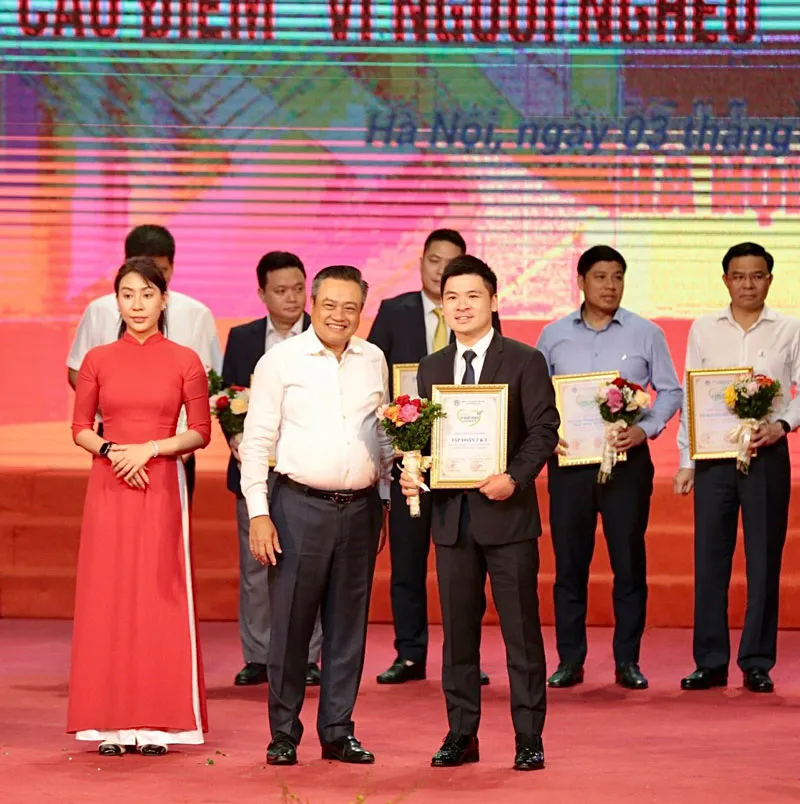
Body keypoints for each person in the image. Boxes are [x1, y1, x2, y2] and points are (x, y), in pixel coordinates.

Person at [400, 255, 559, 771]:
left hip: (508, 516)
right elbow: (423, 439)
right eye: (452, 297)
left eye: (472, 296)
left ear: (493, 300)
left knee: (521, 634)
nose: (462, 306)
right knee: (458, 637)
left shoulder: (524, 360)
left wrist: (513, 477)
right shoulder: (431, 368)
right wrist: (414, 469)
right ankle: (461, 734)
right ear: (441, 305)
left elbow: (544, 430)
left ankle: (529, 737)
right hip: (452, 520)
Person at [239, 265, 393, 767]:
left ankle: (338, 731)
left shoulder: (373, 359)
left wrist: (387, 496)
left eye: (351, 307)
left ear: (362, 310)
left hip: (361, 509)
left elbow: (383, 435)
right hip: (297, 507)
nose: (339, 316)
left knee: (348, 628)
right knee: (291, 626)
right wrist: (259, 514)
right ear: (313, 303)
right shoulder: (280, 361)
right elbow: (256, 442)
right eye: (329, 305)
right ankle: (283, 733)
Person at [68, 256, 212, 756]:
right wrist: (114, 452)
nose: (137, 304)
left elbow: (200, 431)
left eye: (147, 294)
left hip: (162, 483)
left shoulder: (185, 360)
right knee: (107, 595)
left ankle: (158, 725)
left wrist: (149, 450)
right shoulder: (98, 360)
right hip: (109, 486)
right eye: (127, 295)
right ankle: (108, 725)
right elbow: (80, 428)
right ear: (117, 301)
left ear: (163, 299)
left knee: (158, 594)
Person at [536, 245, 682, 690]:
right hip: (570, 465)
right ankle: (569, 660)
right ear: (581, 281)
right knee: (570, 565)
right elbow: (535, 396)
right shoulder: (553, 335)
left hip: (627, 463)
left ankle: (628, 661)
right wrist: (546, 435)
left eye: (618, 276)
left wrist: (645, 429)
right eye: (601, 277)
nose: (610, 285)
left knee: (629, 562)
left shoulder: (646, 332)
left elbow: (670, 391)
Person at [368, 229, 498, 687]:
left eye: (452, 262)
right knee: (406, 562)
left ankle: (465, 656)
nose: (441, 270)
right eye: (434, 260)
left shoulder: (480, 315)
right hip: (409, 461)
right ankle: (409, 653)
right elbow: (375, 376)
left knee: (466, 567)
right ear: (421, 262)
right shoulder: (393, 311)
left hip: (464, 461)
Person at [674, 242, 799, 694]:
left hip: (766, 455)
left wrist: (782, 425)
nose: (749, 284)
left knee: (764, 560)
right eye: (740, 276)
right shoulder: (704, 329)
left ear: (770, 279)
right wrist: (686, 460)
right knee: (710, 559)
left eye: (757, 275)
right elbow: (691, 394)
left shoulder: (790, 328)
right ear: (725, 280)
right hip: (714, 458)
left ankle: (757, 661)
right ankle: (709, 661)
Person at [222, 251, 323, 688]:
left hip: (309, 472)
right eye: (281, 290)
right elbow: (228, 398)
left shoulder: (324, 334)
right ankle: (259, 656)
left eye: (299, 289)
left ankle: (308, 657)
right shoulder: (243, 338)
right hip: (256, 471)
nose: (292, 298)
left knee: (310, 567)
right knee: (255, 567)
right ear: (262, 293)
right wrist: (234, 436)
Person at [67, 224, 222, 501]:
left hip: (177, 444)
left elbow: (211, 381)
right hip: (111, 443)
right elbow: (77, 371)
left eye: (158, 272)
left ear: (171, 268)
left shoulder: (197, 313)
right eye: (129, 294)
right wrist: (116, 423)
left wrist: (176, 442)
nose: (138, 304)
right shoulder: (99, 310)